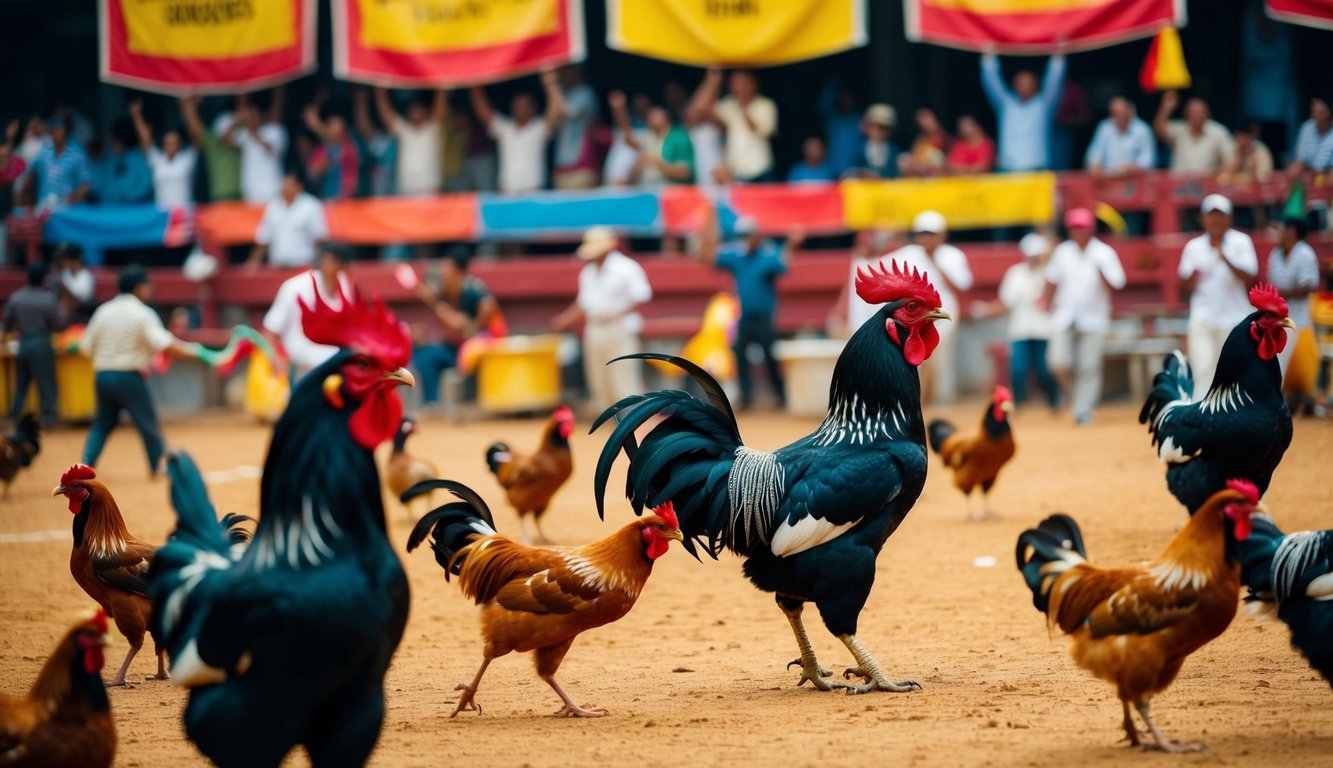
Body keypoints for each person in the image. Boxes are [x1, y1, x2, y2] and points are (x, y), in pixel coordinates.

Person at [80, 266, 201, 474]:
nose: (149, 289)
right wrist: (195, 352)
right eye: (147, 285)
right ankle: (158, 466)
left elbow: (85, 347)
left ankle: (85, 463)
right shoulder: (142, 313)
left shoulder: (103, 311)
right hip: (128, 376)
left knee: (102, 424)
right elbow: (164, 344)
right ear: (138, 288)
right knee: (147, 424)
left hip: (102, 375)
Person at [696, 214, 801, 410]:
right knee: (740, 356)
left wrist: (792, 245)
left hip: (764, 317)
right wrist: (706, 234)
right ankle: (746, 398)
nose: (745, 240)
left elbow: (783, 265)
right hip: (743, 317)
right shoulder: (737, 256)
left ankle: (781, 396)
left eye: (748, 235)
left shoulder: (767, 255)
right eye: (742, 236)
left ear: (757, 236)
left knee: (771, 357)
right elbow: (710, 258)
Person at [874, 211, 973, 405]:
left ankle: (939, 400)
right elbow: (881, 267)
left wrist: (934, 260)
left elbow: (960, 286)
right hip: (914, 317)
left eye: (930, 234)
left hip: (943, 315)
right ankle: (915, 400)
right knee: (915, 357)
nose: (925, 238)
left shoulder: (952, 256)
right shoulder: (909, 254)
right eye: (922, 233)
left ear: (941, 235)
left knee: (939, 356)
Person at [551, 227, 652, 411]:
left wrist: (618, 312)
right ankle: (609, 415)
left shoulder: (626, 268)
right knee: (599, 376)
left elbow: (642, 296)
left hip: (619, 327)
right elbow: (584, 303)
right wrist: (564, 319)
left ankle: (629, 417)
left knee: (623, 375)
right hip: (595, 327)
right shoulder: (588, 272)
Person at [1045, 208, 1127, 425]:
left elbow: (1117, 284)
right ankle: (1072, 394)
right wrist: (1047, 302)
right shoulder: (1063, 251)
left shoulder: (1104, 253)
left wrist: (1102, 272)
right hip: (1065, 314)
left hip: (1094, 317)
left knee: (1089, 365)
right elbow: (1052, 280)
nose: (1079, 232)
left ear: (1091, 230)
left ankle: (1083, 409)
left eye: (1083, 228)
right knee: (1057, 361)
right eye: (1075, 228)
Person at [1177, 194, 1259, 398]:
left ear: (1229, 218)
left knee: (1235, 372)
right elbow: (1183, 288)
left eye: (1220, 216)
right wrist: (1194, 276)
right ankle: (1203, 417)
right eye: (1211, 216)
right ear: (1203, 219)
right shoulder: (1194, 247)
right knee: (1202, 370)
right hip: (1202, 318)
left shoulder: (1241, 242)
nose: (1216, 221)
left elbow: (1248, 277)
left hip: (1235, 319)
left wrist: (1226, 258)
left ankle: (1233, 419)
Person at [412, 248, 500, 408]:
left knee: (428, 357)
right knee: (424, 356)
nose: (443, 273)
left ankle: (439, 404)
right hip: (455, 348)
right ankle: (433, 404)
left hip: (473, 349)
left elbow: (487, 307)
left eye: (446, 268)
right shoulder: (447, 288)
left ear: (456, 270)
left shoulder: (471, 287)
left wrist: (474, 328)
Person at [261, 243, 356, 381]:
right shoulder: (294, 287)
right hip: (301, 369)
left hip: (337, 369)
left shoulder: (346, 285)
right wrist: (274, 359)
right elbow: (270, 332)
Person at [470, 71, 567, 194]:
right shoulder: (505, 128)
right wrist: (475, 85)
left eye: (522, 105)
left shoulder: (539, 128)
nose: (518, 108)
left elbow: (555, 113)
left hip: (533, 192)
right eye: (516, 105)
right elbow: (484, 113)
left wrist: (550, 85)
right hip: (506, 192)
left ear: (533, 108)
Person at [998, 233, 1060, 410]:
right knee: (1018, 369)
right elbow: (1006, 301)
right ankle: (1019, 405)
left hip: (1045, 328)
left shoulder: (1050, 273)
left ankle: (1054, 401)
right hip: (1020, 329)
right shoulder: (1015, 274)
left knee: (1043, 369)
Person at [979, 51, 1066, 172]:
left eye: (1028, 83)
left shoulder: (1043, 106)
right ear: (1014, 86)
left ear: (1036, 85)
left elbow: (1054, 82)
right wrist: (989, 57)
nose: (1024, 87)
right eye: (1020, 84)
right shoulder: (1006, 105)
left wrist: (1058, 55)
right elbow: (992, 83)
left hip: (1037, 170)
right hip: (1008, 170)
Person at [688, 69, 777, 183]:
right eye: (734, 82)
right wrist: (712, 82)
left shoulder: (765, 105)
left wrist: (743, 106)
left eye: (742, 82)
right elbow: (701, 111)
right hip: (738, 174)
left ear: (753, 83)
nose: (737, 86)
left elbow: (761, 131)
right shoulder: (730, 105)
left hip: (762, 172)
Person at [3, 262, 63, 426]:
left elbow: (7, 322)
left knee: (21, 383)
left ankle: (14, 417)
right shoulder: (47, 298)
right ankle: (49, 418)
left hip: (23, 343)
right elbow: (59, 321)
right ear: (44, 279)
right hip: (41, 342)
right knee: (46, 383)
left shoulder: (16, 296)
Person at [1265, 217, 1320, 380]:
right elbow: (1271, 282)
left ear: (1292, 231)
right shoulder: (1276, 253)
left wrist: (1283, 294)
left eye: (1283, 228)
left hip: (1300, 322)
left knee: (1303, 376)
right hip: (1279, 320)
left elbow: (1309, 286)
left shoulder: (1304, 253)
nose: (1278, 232)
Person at [608, 91, 694, 185]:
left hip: (671, 189)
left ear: (666, 117)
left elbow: (685, 172)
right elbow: (628, 138)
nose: (650, 118)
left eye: (655, 115)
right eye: (650, 116)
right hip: (647, 188)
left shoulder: (679, 136)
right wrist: (619, 109)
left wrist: (654, 162)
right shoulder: (648, 137)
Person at [248, 170, 328, 269]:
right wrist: (253, 261)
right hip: (277, 266)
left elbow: (319, 238)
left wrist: (318, 263)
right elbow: (264, 238)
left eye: (290, 185)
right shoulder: (273, 206)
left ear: (299, 187)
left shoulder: (312, 206)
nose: (286, 188)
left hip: (303, 266)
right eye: (284, 184)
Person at [374, 88, 447, 196]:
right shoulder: (404, 131)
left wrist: (441, 89)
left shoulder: (431, 129)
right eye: (412, 110)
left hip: (431, 191)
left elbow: (439, 111)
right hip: (406, 192)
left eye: (418, 109)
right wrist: (380, 94)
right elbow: (387, 117)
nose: (415, 112)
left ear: (425, 112)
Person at [127, 99, 197, 210]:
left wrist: (188, 110)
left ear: (180, 145)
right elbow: (146, 141)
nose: (169, 146)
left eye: (173, 143)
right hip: (162, 216)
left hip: (184, 215)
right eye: (166, 143)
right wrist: (136, 116)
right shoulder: (158, 160)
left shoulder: (186, 159)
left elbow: (196, 137)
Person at [224, 92, 288, 204]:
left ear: (261, 115)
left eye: (253, 114)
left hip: (272, 192)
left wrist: (250, 127)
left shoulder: (275, 131)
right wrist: (235, 121)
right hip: (250, 193)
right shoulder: (245, 133)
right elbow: (226, 142)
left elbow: (268, 147)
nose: (250, 118)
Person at [179, 95, 241, 203]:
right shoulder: (212, 142)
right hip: (221, 198)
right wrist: (188, 102)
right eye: (228, 130)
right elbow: (194, 124)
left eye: (233, 131)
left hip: (241, 196)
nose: (230, 134)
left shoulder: (241, 142)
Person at [1152, 92, 1234, 175]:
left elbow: (1232, 160)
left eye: (1200, 112)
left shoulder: (1218, 132)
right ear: (1187, 114)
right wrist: (1167, 106)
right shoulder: (1180, 129)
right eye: (1193, 112)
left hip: (1207, 185)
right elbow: (1159, 131)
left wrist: (1215, 176)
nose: (1197, 115)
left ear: (1208, 113)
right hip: (1178, 184)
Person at [552, 65, 602, 189]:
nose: (563, 76)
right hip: (563, 165)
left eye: (567, 72)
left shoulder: (585, 93)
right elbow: (552, 123)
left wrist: (552, 86)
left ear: (578, 73)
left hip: (581, 165)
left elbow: (567, 112)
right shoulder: (565, 94)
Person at [23, 116, 91, 208]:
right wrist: (26, 198)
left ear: (66, 130)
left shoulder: (77, 153)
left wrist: (72, 199)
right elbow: (29, 175)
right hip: (44, 210)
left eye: (58, 128)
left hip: (67, 212)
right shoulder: (43, 151)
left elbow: (85, 183)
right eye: (53, 128)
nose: (55, 132)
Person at [302, 103, 361, 201]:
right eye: (330, 126)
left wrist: (316, 124)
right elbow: (311, 174)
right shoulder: (321, 150)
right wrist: (320, 168)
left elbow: (336, 142)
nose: (331, 130)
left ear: (344, 131)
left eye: (336, 126)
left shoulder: (350, 148)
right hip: (326, 201)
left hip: (347, 202)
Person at [1085, 97, 1156, 176]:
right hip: (1106, 181)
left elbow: (1148, 161)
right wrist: (1094, 165)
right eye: (1113, 113)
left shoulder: (1142, 130)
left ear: (1130, 111)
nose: (1115, 117)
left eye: (1119, 113)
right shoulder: (1105, 127)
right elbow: (1094, 154)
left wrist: (1132, 168)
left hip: (1134, 182)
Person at [90, 123, 151, 204]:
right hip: (107, 212)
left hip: (132, 213)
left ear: (120, 143)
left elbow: (145, 188)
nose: (111, 145)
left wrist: (125, 198)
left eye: (113, 141)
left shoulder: (140, 161)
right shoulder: (109, 160)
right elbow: (93, 183)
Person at [0, 119, 26, 265]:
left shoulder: (19, 166)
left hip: (18, 217)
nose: (2, 160)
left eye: (5, 157)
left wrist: (10, 138)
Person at [851, 103, 900, 179]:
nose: (877, 131)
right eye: (873, 126)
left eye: (882, 128)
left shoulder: (894, 151)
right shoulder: (859, 150)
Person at [1288, 97, 1333, 176]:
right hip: (1309, 170)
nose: (1315, 116)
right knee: (1294, 168)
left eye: (1320, 113)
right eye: (1314, 112)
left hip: (1328, 172)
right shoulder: (1307, 127)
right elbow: (1300, 159)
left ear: (1328, 113)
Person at [899, 108, 950, 177]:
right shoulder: (920, 140)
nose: (925, 123)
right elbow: (916, 158)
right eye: (921, 121)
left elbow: (948, 162)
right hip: (922, 174)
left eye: (926, 119)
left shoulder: (944, 138)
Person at [53, 243, 95, 323]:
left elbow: (82, 300)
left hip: (79, 317)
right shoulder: (64, 273)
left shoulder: (86, 277)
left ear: (77, 259)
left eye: (67, 259)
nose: (64, 262)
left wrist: (62, 286)